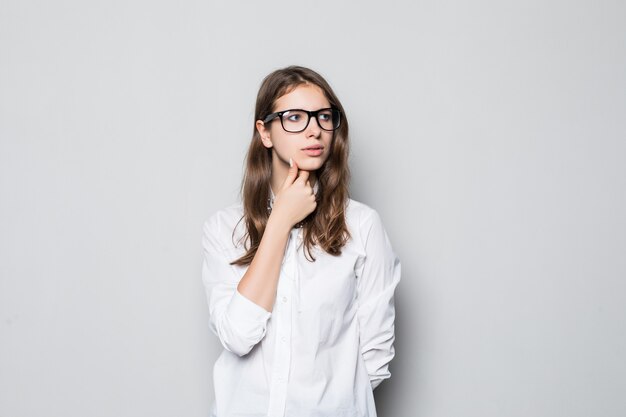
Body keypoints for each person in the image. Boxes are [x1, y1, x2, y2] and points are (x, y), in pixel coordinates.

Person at [201, 65, 401, 417]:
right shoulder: (224, 228)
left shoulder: (362, 226)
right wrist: (280, 221)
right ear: (264, 132)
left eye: (324, 117)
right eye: (295, 117)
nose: (315, 130)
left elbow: (375, 354)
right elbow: (238, 334)